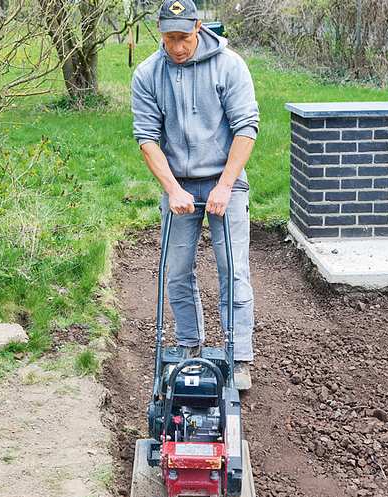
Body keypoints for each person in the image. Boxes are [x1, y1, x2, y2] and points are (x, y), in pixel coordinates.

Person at [130, 0, 259, 389]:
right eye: (170, 39)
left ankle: (237, 357)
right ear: (161, 33)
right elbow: (147, 138)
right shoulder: (149, 74)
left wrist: (224, 185)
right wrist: (172, 189)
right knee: (176, 271)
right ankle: (190, 344)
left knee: (232, 271)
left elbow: (246, 128)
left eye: (184, 38)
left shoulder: (228, 65)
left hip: (225, 180)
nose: (178, 47)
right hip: (179, 185)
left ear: (198, 27)